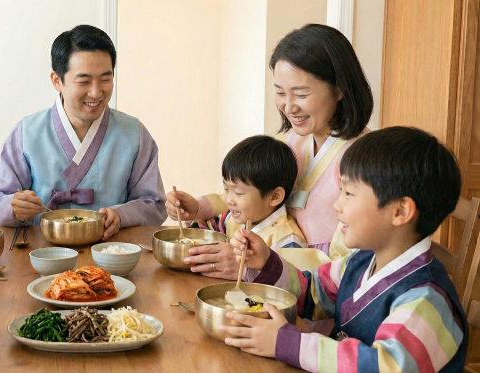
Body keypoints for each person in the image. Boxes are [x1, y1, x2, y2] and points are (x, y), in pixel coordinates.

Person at [223, 127, 467, 372]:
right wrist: (266, 262)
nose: (337, 205)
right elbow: (312, 294)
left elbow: (385, 367)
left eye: (349, 193)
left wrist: (288, 342)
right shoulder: (361, 261)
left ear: (400, 211)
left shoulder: (427, 299)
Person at [168, 24, 371, 278]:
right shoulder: (291, 141)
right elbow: (251, 195)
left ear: (340, 88)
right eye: (279, 93)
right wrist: (199, 207)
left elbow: (353, 264)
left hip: (312, 300)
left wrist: (253, 262)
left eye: (301, 94)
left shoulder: (366, 161)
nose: (288, 107)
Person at [0, 25, 166, 239]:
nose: (96, 92)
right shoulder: (27, 134)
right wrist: (14, 208)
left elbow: (154, 204)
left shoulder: (134, 134)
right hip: (41, 256)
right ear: (57, 80)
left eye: (105, 79)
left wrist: (121, 215)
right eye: (84, 81)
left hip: (112, 255)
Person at [180, 136, 315, 272]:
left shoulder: (288, 241)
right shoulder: (232, 218)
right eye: (226, 189)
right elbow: (205, 233)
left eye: (238, 193)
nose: (228, 200)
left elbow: (293, 284)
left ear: (274, 196)